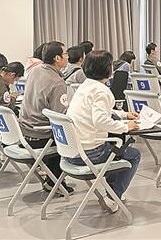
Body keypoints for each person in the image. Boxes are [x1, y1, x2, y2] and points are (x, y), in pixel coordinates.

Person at [66, 51, 141, 212]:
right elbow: (100, 120)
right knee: (133, 155)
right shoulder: (102, 91)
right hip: (90, 153)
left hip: (70, 152)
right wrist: (126, 126)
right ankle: (113, 196)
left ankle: (113, 191)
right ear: (108, 69)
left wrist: (123, 115)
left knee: (118, 151)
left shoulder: (85, 86)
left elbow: (98, 111)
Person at [19, 41, 73, 193]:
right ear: (57, 58)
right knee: (69, 134)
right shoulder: (57, 82)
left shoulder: (35, 70)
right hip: (40, 135)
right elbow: (60, 117)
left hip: (23, 131)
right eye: (65, 54)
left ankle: (52, 179)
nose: (68, 57)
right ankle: (55, 182)